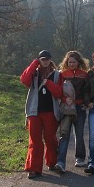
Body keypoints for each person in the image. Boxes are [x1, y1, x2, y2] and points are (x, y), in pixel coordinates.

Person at [20, 50, 62, 179]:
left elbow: (59, 93)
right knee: (35, 140)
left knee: (50, 139)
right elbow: (24, 80)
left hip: (50, 112)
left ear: (50, 60)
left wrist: (48, 83)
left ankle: (51, 162)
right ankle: (33, 168)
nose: (45, 61)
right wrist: (34, 63)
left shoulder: (56, 75)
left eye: (47, 59)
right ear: (39, 60)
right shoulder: (34, 73)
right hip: (34, 112)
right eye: (42, 59)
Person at [53, 51, 89, 173]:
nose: (72, 64)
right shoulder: (62, 74)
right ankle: (60, 162)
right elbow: (58, 91)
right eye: (69, 62)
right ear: (66, 63)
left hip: (80, 108)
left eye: (74, 62)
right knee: (64, 135)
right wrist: (64, 99)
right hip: (67, 109)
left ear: (79, 62)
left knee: (79, 134)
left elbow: (88, 90)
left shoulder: (85, 75)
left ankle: (80, 157)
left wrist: (86, 103)